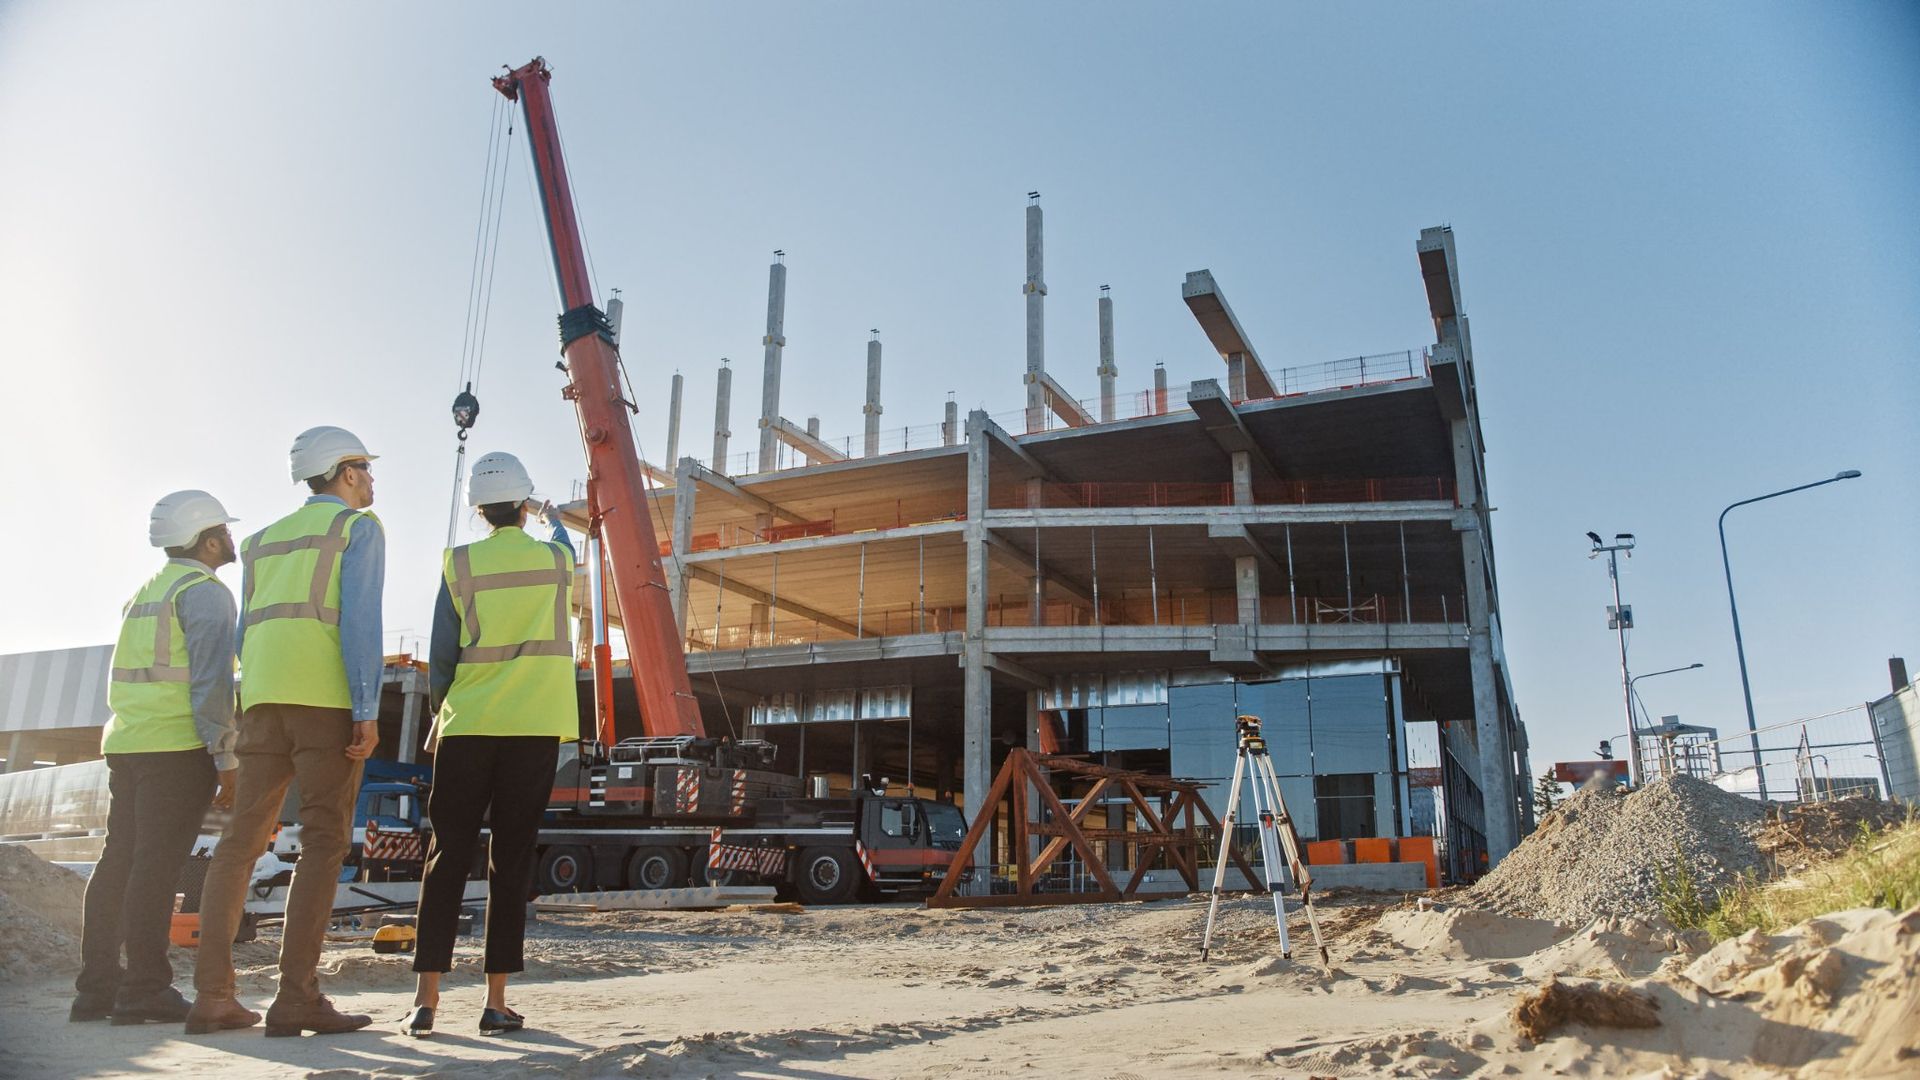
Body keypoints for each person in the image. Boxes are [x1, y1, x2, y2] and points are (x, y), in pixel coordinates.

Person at [186, 426, 385, 1037]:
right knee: (324, 843)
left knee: (239, 845)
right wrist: (366, 707)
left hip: (263, 702)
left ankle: (213, 997)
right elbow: (359, 624)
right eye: (367, 469)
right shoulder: (358, 529)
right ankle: (295, 997)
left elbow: (249, 629)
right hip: (324, 703)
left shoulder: (261, 540)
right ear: (346, 473)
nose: (373, 480)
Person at [404, 451, 575, 1038]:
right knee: (510, 859)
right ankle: (495, 1001)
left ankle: (425, 1000)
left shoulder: (458, 564)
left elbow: (443, 653)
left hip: (468, 724)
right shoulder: (554, 560)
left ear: (478, 509)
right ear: (522, 506)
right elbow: (570, 546)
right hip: (532, 726)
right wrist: (551, 516)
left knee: (446, 855)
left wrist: (438, 712)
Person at [71, 491, 243, 1025]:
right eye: (225, 530)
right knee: (156, 866)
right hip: (176, 746)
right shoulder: (205, 593)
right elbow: (210, 683)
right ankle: (145, 987)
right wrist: (226, 755)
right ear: (210, 539)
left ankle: (96, 990)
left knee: (117, 862)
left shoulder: (145, 592)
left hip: (128, 743)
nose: (231, 539)